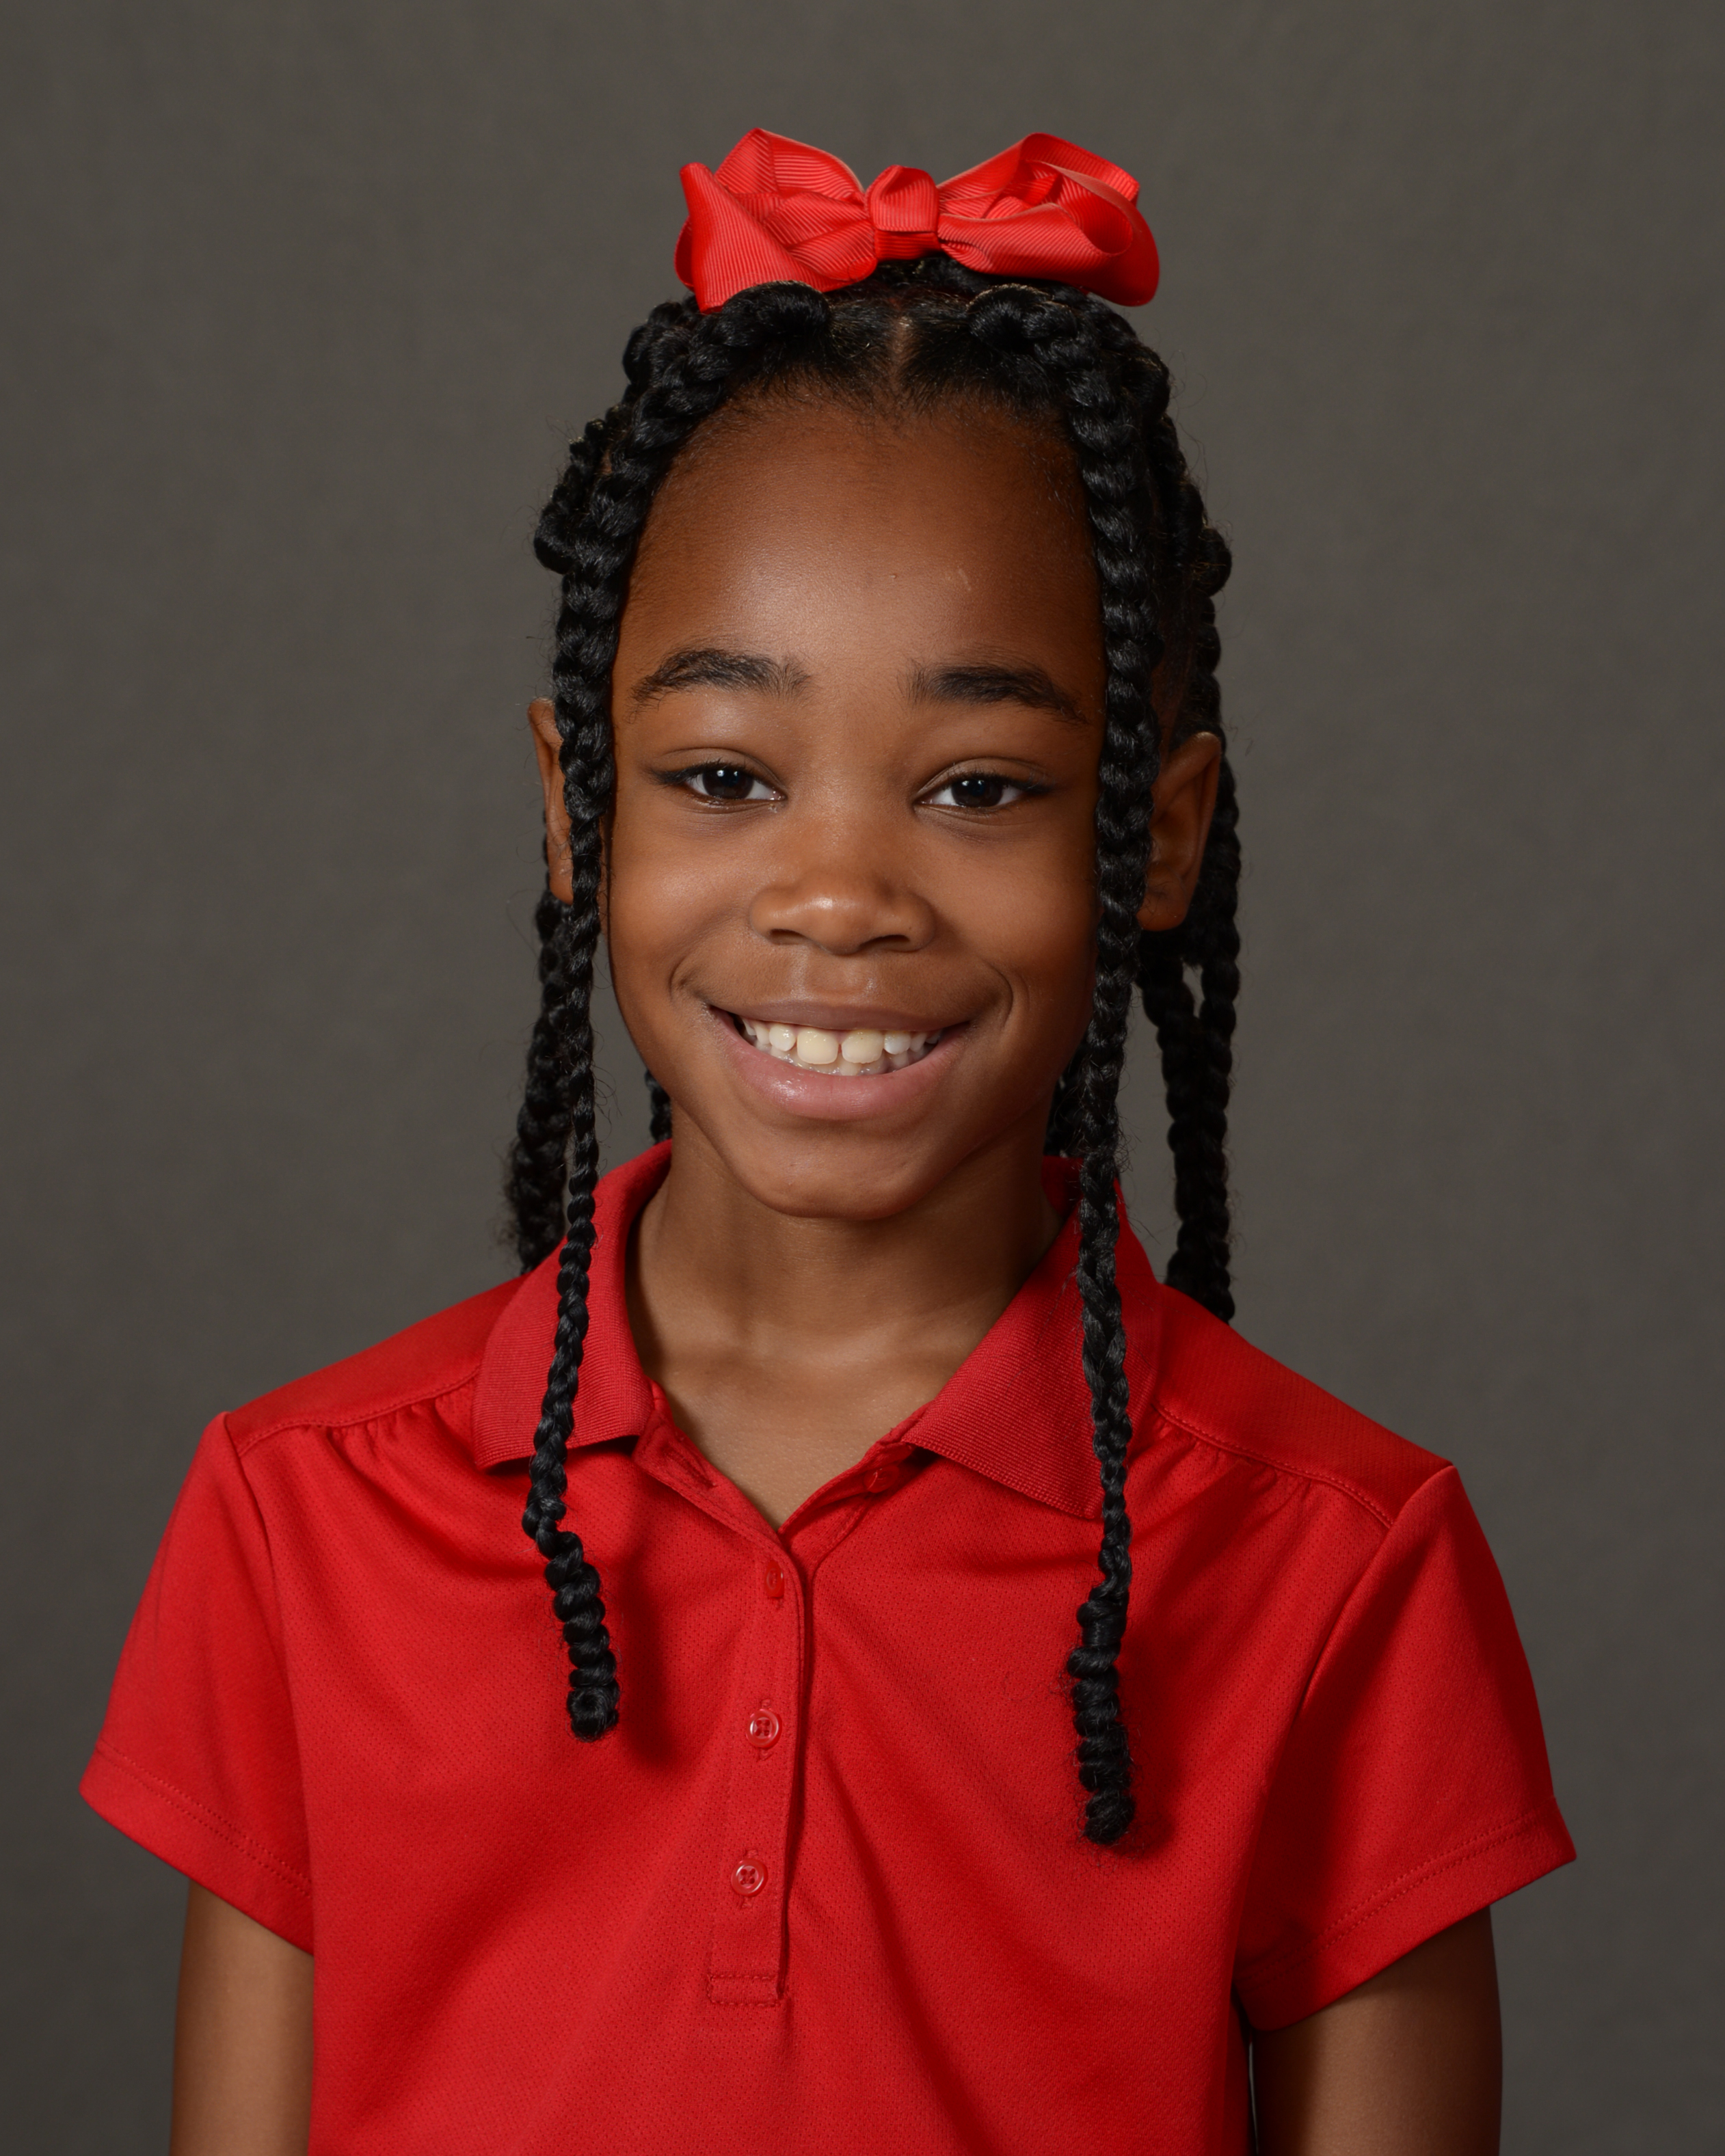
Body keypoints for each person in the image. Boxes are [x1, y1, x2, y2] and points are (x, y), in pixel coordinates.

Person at [83, 131, 1573, 2155]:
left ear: (1156, 835)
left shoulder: (1339, 1563)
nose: (840, 896)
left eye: (977, 787)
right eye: (722, 775)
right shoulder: (301, 1517)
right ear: (575, 807)